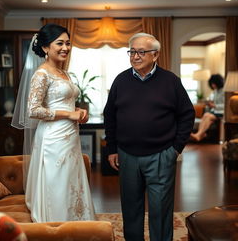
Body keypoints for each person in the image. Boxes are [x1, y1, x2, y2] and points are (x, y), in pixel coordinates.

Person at [103, 32, 195, 241]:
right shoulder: (121, 80)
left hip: (161, 155)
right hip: (127, 155)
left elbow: (187, 114)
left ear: (155, 55)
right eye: (132, 51)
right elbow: (110, 115)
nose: (135, 56)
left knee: (160, 209)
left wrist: (175, 149)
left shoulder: (170, 81)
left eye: (141, 52)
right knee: (130, 208)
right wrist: (112, 149)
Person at [11, 23, 95, 222]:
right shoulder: (41, 74)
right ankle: (57, 224)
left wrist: (79, 112)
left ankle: (77, 222)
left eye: (68, 43)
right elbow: (33, 110)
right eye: (59, 43)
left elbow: (64, 102)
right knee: (57, 182)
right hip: (53, 139)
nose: (65, 47)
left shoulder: (63, 73)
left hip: (70, 137)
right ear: (46, 47)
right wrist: (69, 115)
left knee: (70, 181)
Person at [190, 74, 224, 142]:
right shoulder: (215, 91)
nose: (212, 85)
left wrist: (214, 106)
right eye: (211, 84)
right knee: (206, 116)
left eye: (213, 84)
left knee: (209, 116)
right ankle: (200, 135)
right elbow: (212, 100)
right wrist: (209, 103)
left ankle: (198, 135)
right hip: (214, 111)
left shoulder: (224, 91)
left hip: (221, 112)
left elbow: (225, 105)